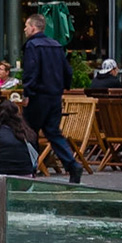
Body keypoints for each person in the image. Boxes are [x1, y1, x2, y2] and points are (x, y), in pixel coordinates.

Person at [21, 13, 84, 183]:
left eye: (26, 26)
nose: (25, 29)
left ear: (34, 27)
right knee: (53, 132)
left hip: (37, 95)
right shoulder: (56, 45)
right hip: (55, 96)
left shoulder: (32, 46)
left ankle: (31, 167)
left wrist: (27, 92)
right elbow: (67, 71)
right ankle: (71, 164)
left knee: (29, 132)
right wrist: (63, 87)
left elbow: (31, 71)